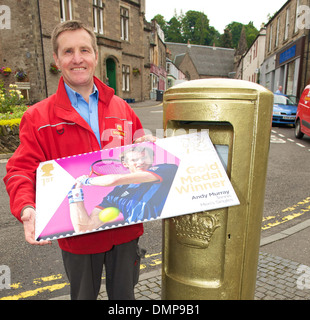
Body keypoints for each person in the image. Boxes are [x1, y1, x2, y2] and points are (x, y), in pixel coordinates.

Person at [3, 20, 154, 300]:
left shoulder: (121, 108)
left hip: (126, 228)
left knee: (125, 298)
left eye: (84, 50)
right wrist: (26, 207)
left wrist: (147, 148)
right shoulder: (38, 117)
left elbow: (140, 155)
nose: (77, 58)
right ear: (57, 59)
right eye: (68, 51)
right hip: (78, 235)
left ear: (95, 56)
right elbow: (20, 170)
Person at [69, 145, 178, 233]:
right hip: (140, 236)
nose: (141, 162)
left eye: (144, 158)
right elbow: (84, 227)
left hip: (170, 229)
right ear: (125, 164)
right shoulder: (116, 193)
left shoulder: (166, 169)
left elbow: (113, 181)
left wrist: (87, 181)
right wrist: (76, 192)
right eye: (134, 159)